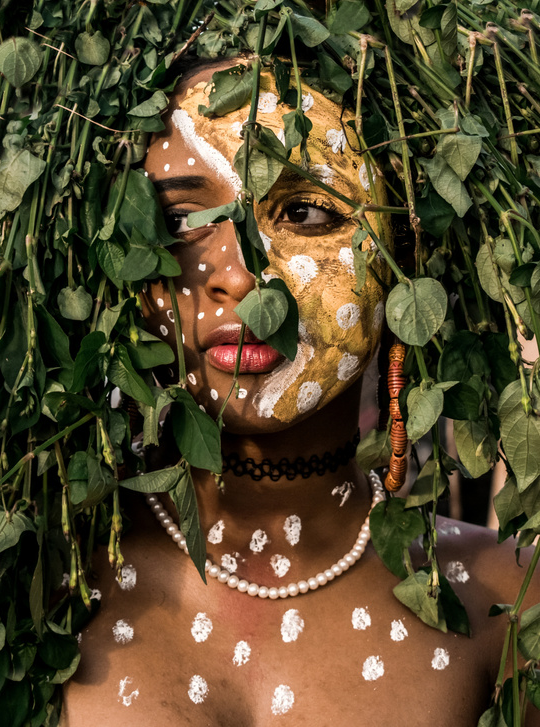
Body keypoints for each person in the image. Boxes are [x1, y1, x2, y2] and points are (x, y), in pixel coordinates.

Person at [61, 61, 540, 726]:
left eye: (306, 211)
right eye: (184, 216)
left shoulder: (508, 602)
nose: (239, 275)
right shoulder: (34, 586)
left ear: (407, 252)